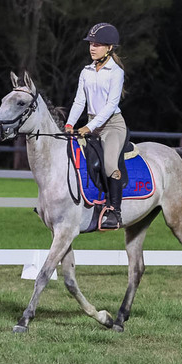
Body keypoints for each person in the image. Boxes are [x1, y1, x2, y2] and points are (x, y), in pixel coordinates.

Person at [65, 22, 127, 230]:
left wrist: (89, 127)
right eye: (91, 43)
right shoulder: (86, 71)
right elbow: (79, 101)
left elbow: (111, 105)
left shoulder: (115, 72)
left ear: (109, 48)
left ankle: (114, 212)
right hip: (91, 123)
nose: (92, 47)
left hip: (112, 125)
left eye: (98, 44)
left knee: (110, 164)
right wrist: (70, 123)